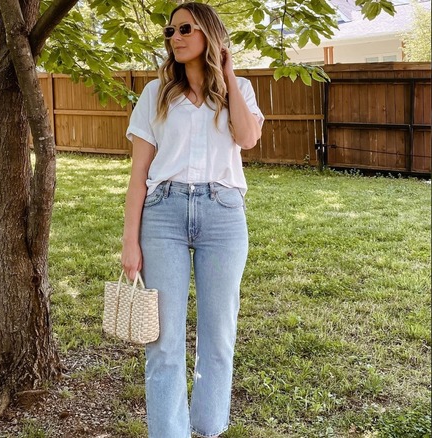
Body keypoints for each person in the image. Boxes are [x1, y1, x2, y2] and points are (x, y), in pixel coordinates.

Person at [121, 2, 264, 437]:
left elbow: (248, 138)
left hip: (223, 215)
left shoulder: (240, 89)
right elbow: (139, 174)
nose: (175, 36)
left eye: (186, 28)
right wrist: (130, 241)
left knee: (219, 336)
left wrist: (229, 72)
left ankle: (208, 427)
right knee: (163, 343)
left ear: (210, 35)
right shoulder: (155, 93)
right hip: (162, 213)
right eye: (170, 30)